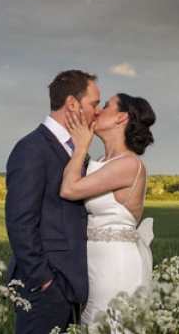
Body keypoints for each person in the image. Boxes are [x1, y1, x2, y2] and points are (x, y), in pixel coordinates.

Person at [5, 69, 102, 334]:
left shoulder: (75, 149)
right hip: (44, 288)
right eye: (94, 104)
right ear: (72, 103)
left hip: (72, 285)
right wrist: (44, 281)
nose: (98, 111)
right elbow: (20, 221)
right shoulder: (32, 148)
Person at [61, 93, 156, 330]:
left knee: (109, 324)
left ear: (120, 117)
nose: (97, 111)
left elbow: (70, 189)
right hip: (95, 262)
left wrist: (81, 146)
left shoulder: (129, 164)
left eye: (105, 106)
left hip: (116, 265)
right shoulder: (103, 160)